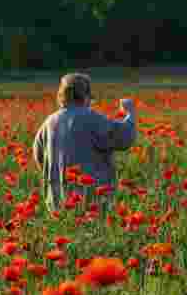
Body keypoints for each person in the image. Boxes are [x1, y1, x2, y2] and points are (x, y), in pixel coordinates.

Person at [32, 73, 138, 213]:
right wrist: (130, 114)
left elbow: (39, 156)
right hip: (91, 201)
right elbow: (125, 137)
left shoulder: (49, 122)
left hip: (58, 201)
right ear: (85, 96)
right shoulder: (91, 118)